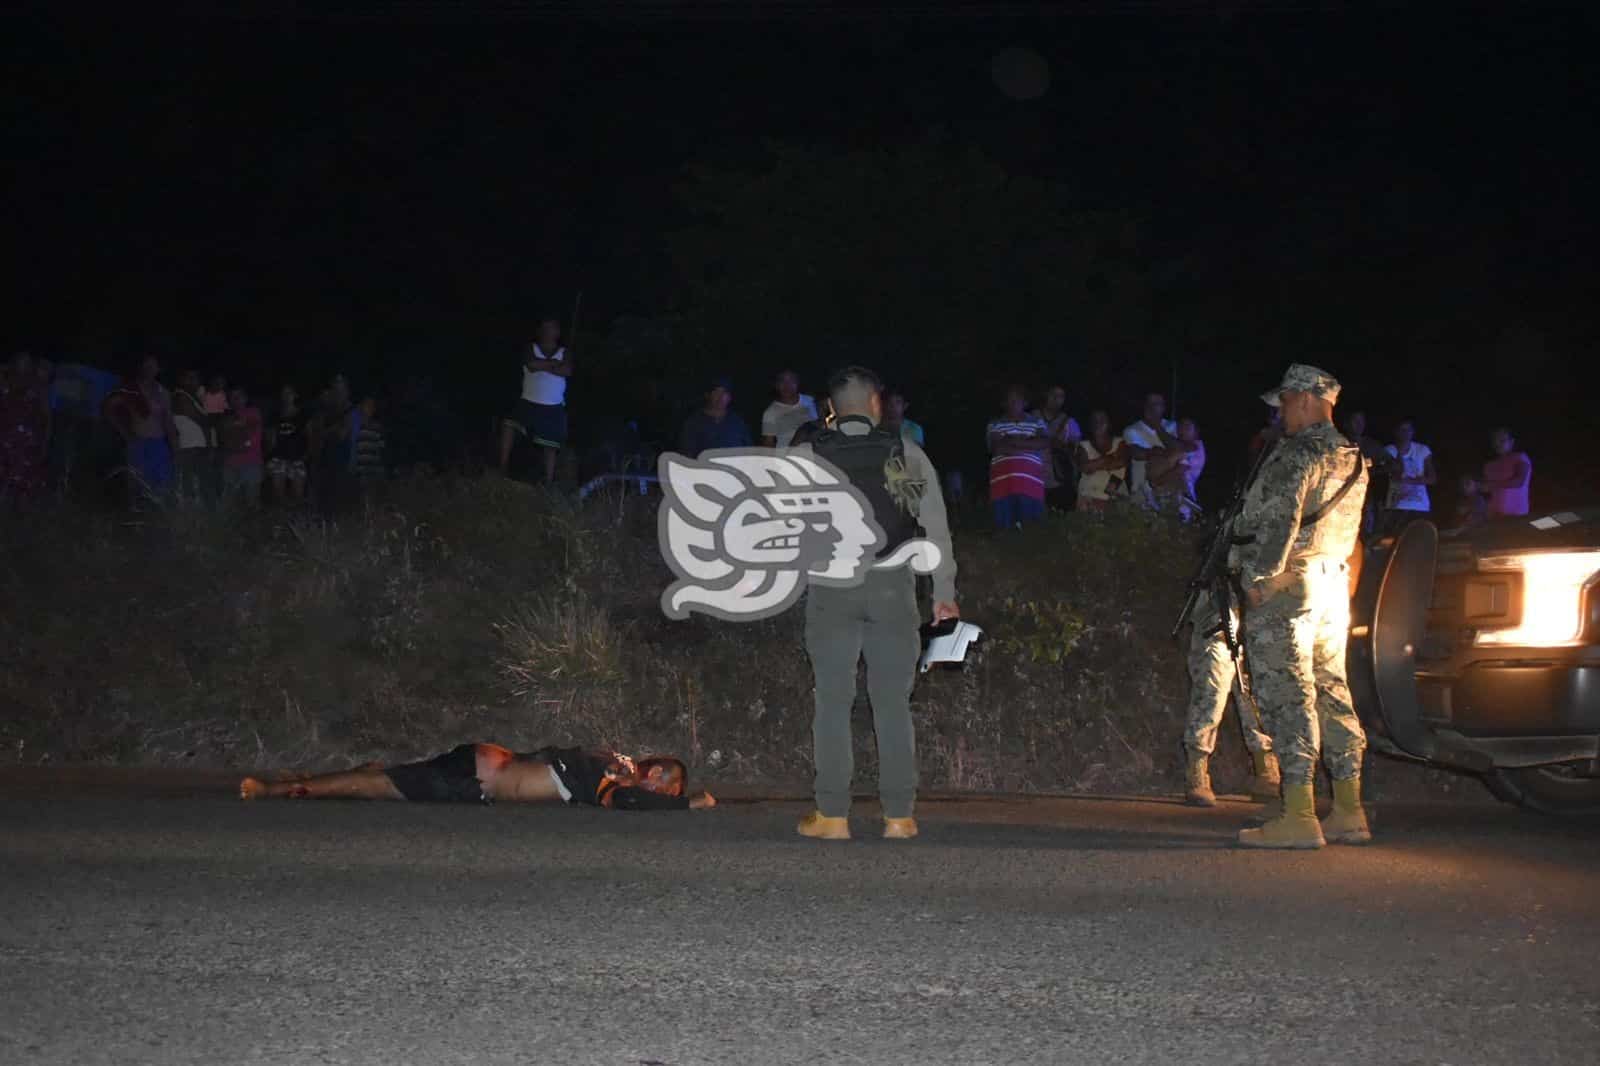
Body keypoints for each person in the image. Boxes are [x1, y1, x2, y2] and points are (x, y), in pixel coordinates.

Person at [790, 366, 958, 841]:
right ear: (878, 405)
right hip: (893, 588)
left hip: (831, 588)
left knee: (833, 700)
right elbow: (935, 528)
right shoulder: (905, 452)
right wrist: (944, 594)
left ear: (830, 409)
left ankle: (833, 816)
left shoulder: (805, 455)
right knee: (892, 703)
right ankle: (900, 817)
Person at [1232, 364, 1369, 849]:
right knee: (1332, 690)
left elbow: (1278, 519)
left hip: (1289, 588)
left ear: (1309, 400)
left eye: (1286, 402)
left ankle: (1299, 813)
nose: (1281, 413)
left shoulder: (1298, 454)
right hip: (1332, 584)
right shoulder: (1352, 455)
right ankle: (1350, 809)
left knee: (1288, 693)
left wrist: (1258, 579)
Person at [239, 743, 715, 810]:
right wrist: (689, 804)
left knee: (380, 779)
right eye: (663, 779)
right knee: (373, 785)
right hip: (475, 777)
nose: (656, 785)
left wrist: (678, 801)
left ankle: (299, 780)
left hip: (478, 769)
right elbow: (634, 804)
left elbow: (633, 801)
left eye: (666, 785)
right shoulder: (610, 778)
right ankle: (276, 790)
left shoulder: (609, 778)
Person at [1182, 586, 1278, 807]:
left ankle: (1265, 770)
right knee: (1211, 690)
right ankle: (1197, 769)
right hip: (1220, 604)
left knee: (1255, 690)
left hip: (1260, 603)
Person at [498, 317, 572, 484]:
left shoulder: (564, 352)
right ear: (539, 331)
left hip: (552, 406)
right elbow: (531, 365)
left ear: (557, 332)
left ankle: (548, 481)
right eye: (544, 328)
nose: (547, 332)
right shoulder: (530, 348)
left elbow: (566, 370)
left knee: (550, 446)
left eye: (551, 328)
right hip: (528, 402)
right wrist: (553, 364)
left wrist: (543, 365)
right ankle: (502, 468)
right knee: (509, 425)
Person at [104, 356, 178, 505]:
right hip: (137, 442)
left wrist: (175, 449)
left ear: (159, 370)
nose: (150, 369)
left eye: (153, 366)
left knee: (161, 486)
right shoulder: (131, 389)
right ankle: (135, 519)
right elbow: (107, 407)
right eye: (147, 365)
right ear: (141, 367)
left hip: (159, 444)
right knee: (136, 486)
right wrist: (123, 432)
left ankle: (155, 519)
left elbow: (168, 422)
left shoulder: (163, 392)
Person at [986, 385, 1050, 529]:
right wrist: (1028, 444)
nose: (1013, 403)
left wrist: (1012, 441)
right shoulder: (994, 423)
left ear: (1025, 402)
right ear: (1004, 403)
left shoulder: (1037, 422)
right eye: (1010, 400)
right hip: (1002, 483)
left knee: (1032, 531)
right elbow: (997, 448)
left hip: (1030, 483)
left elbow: (1044, 442)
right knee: (1005, 532)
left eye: (1017, 399)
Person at [0, 351, 50, 508]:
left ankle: (20, 511)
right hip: (5, 439)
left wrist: (46, 440)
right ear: (13, 363)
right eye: (21, 361)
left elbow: (47, 415)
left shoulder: (37, 386)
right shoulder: (5, 382)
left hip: (28, 443)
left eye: (28, 363)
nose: (24, 365)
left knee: (25, 479)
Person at [1122, 393, 1177, 505]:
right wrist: (1159, 452)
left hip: (1170, 491)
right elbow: (1136, 453)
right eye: (1150, 404)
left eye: (1157, 404)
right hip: (1142, 493)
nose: (1153, 408)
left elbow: (1177, 448)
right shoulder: (1132, 430)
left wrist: (1157, 426)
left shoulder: (1173, 426)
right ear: (1145, 407)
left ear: (1164, 407)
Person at [1382, 419, 1435, 535]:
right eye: (1402, 429)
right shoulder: (1388, 450)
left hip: (1420, 506)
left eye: (1408, 429)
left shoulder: (1422, 450)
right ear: (1396, 432)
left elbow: (1432, 478)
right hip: (1396, 506)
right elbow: (1389, 476)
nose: (1406, 433)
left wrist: (1409, 481)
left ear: (1412, 432)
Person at [1034, 384, 1082, 511]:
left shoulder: (1070, 422)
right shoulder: (1031, 418)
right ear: (1046, 395)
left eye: (1061, 396)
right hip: (1035, 479)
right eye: (1053, 395)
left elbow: (1077, 452)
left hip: (1061, 480)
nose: (1056, 399)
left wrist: (1062, 446)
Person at [171, 370, 214, 507]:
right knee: (188, 486)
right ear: (181, 380)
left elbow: (206, 420)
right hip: (188, 448)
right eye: (189, 377)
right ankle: (187, 520)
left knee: (199, 486)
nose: (193, 381)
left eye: (195, 377)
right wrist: (209, 419)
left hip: (197, 447)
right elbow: (202, 420)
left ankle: (197, 520)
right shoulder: (180, 396)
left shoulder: (195, 398)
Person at [1147, 416, 1205, 520]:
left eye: (1187, 427)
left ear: (1196, 432)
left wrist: (1158, 480)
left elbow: (1179, 470)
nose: (1182, 429)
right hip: (1173, 494)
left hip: (1183, 499)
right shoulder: (1183, 448)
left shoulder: (1195, 447)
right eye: (1180, 427)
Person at [678, 376, 752, 456]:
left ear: (729, 397)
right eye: (716, 392)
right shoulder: (693, 423)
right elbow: (686, 455)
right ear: (707, 395)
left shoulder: (738, 422)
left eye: (724, 393)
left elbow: (748, 451)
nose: (720, 397)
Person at [1342, 410, 1387, 535]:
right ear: (1346, 424)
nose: (1359, 424)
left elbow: (1392, 465)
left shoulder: (1371, 445)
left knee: (1366, 532)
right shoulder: (1339, 442)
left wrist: (1369, 469)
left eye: (1361, 421)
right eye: (1355, 421)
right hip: (1343, 496)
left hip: (1367, 498)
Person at [1073, 410, 1127, 513]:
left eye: (1102, 419)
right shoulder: (1083, 445)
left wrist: (1095, 465)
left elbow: (1121, 462)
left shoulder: (1120, 442)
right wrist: (1110, 459)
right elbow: (1085, 468)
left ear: (1109, 423)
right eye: (1095, 420)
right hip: (1088, 497)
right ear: (1090, 424)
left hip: (1116, 496)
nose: (1099, 423)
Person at [219, 386, 264, 508]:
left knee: (252, 502)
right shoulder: (226, 416)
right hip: (230, 462)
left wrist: (243, 445)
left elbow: (256, 434)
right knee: (229, 502)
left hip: (251, 462)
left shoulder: (253, 412)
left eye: (239, 396)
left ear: (245, 398)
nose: (235, 399)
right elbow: (223, 437)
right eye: (232, 397)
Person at [266, 385, 308, 504]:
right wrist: (268, 458)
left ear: (295, 395)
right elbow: (270, 439)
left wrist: (307, 456)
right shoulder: (275, 415)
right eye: (284, 393)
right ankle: (280, 520)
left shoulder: (302, 414)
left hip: (298, 458)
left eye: (289, 393)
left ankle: (295, 521)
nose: (286, 396)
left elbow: (311, 435)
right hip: (278, 458)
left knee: (298, 497)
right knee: (279, 497)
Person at [759, 369, 819, 448]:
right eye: (782, 381)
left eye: (792, 380)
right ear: (776, 385)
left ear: (798, 382)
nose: (787, 385)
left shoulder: (810, 401)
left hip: (814, 456)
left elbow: (820, 425)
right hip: (787, 457)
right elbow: (768, 444)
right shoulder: (770, 412)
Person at [1481, 427, 1532, 518]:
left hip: (1516, 515)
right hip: (1493, 515)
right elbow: (1486, 491)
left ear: (1511, 442)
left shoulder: (1520, 457)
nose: (1498, 444)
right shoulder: (1489, 465)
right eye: (1495, 441)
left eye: (1502, 440)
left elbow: (1519, 481)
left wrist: (1493, 485)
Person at [354, 396, 387, 484]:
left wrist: (381, 468)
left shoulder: (377, 427)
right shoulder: (356, 426)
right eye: (367, 405)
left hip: (374, 469)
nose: (370, 408)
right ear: (362, 407)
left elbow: (381, 448)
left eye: (372, 406)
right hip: (361, 471)